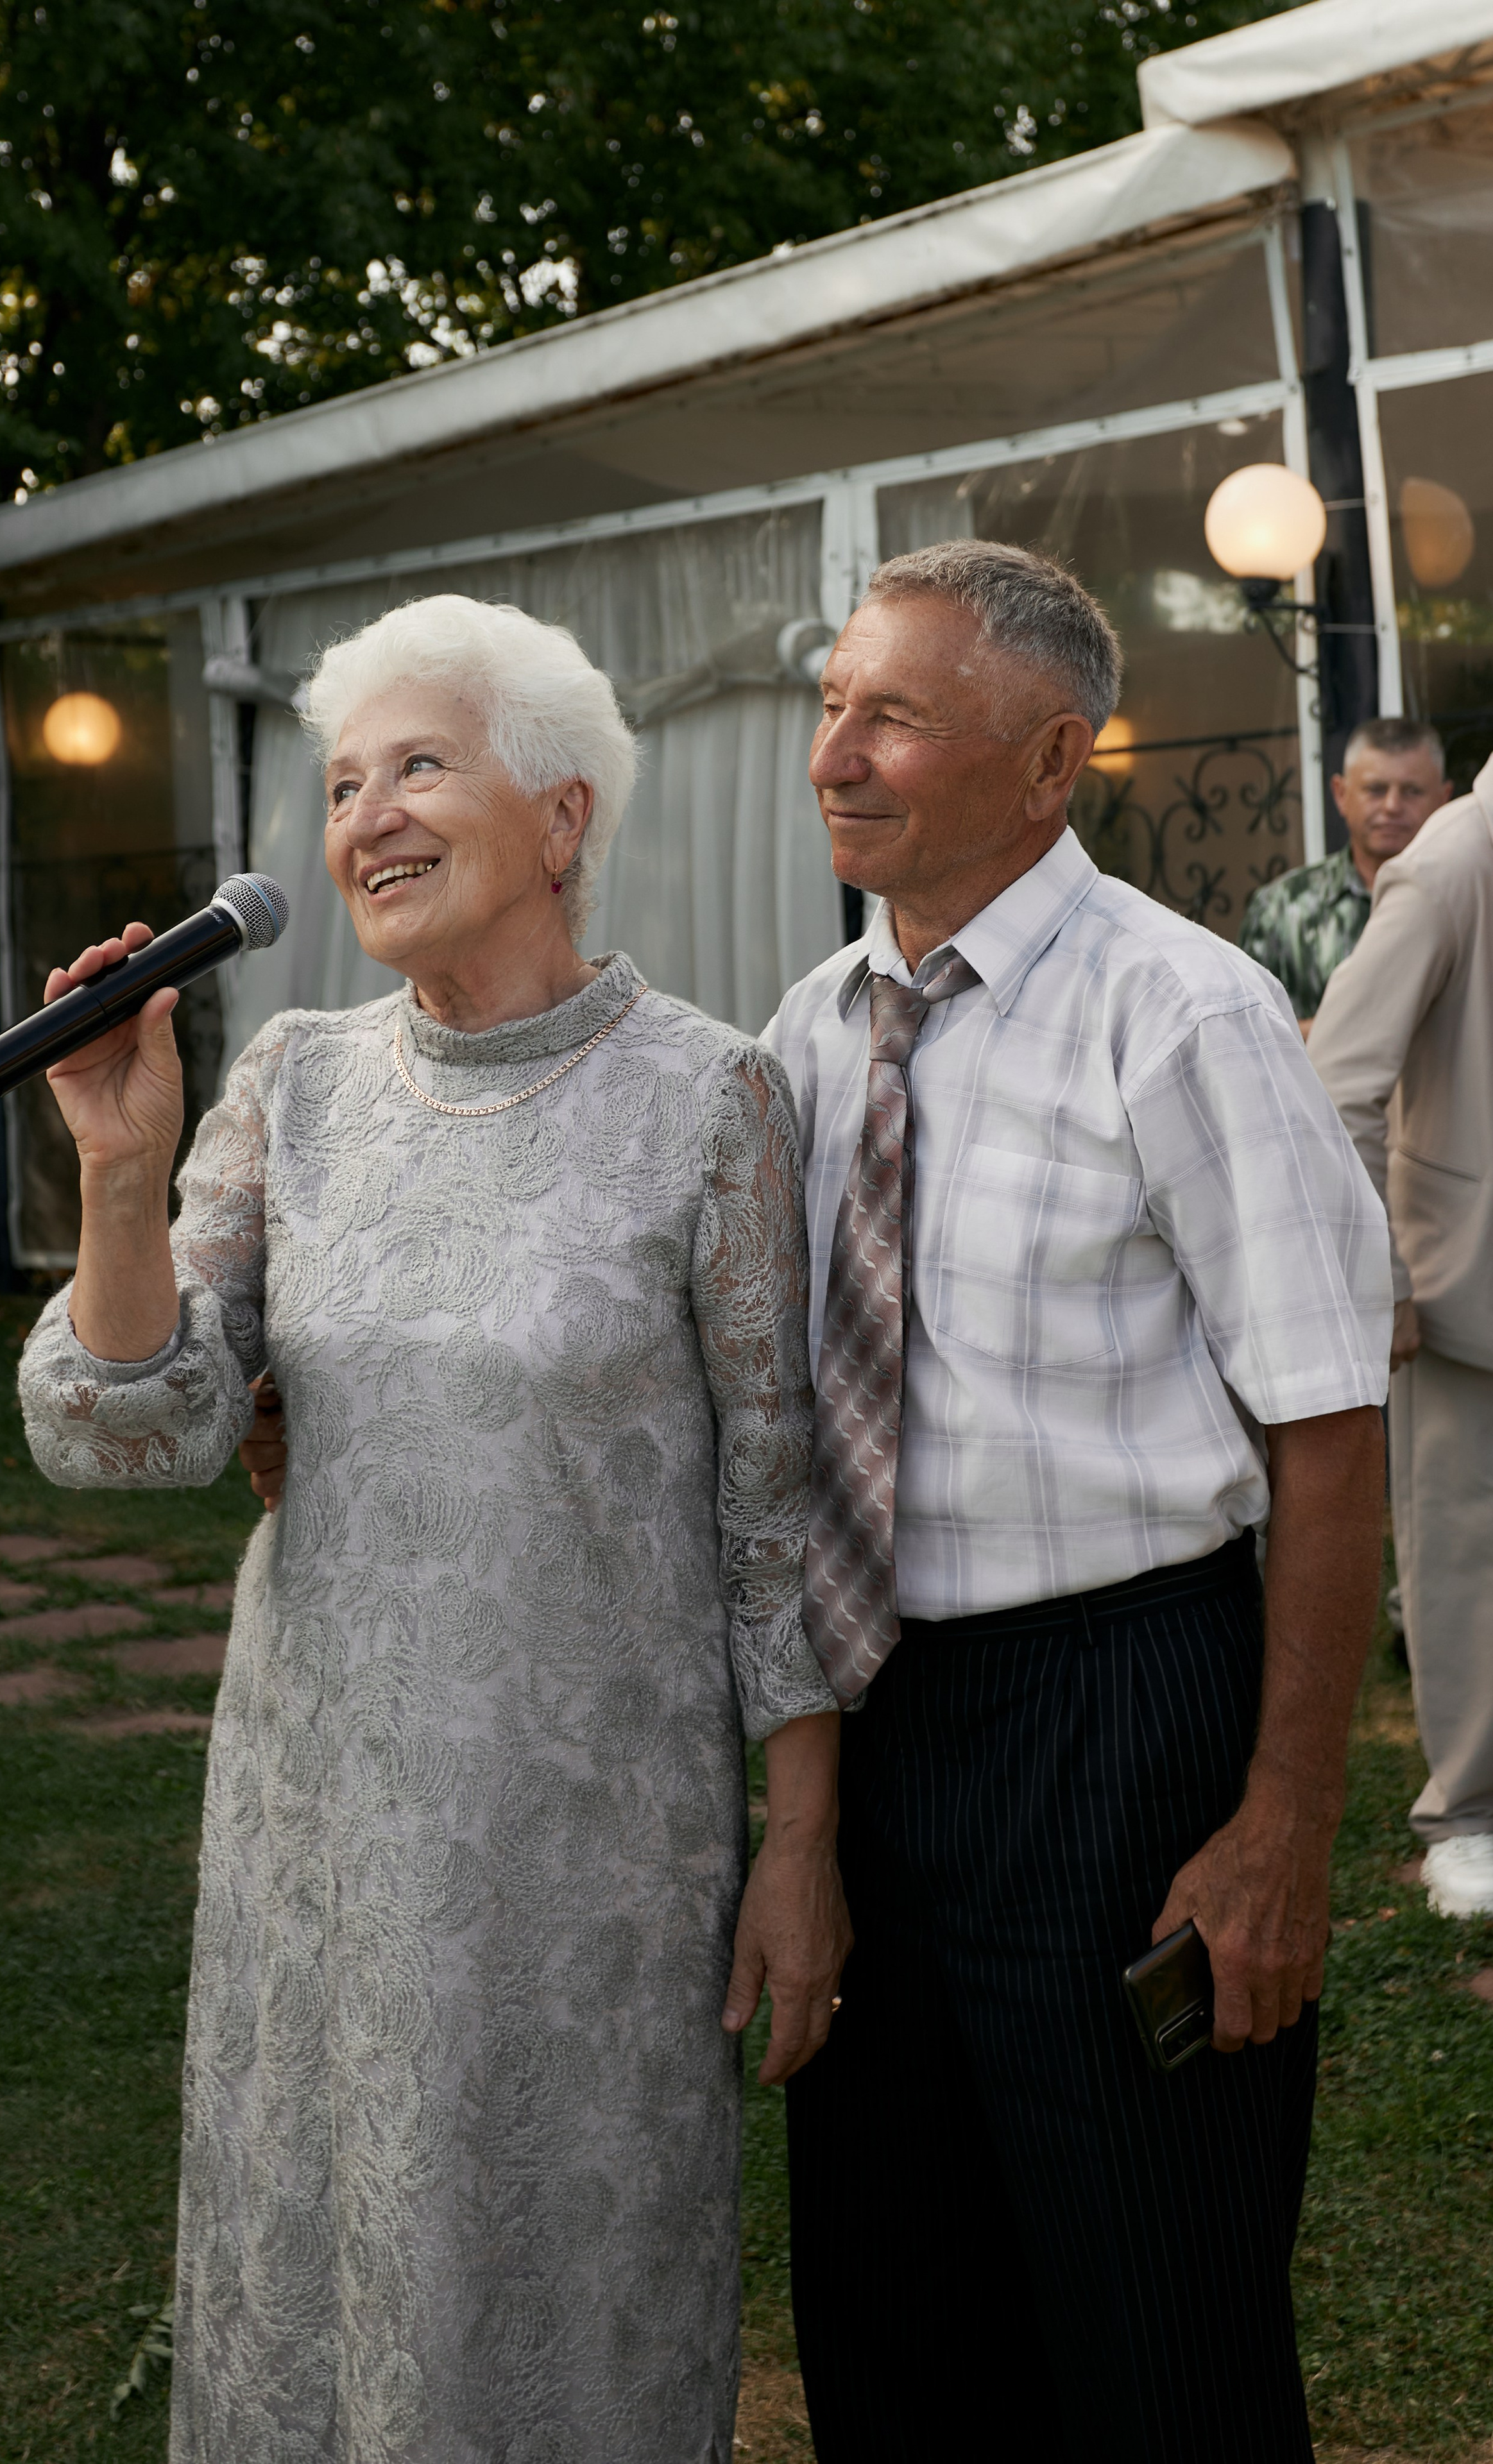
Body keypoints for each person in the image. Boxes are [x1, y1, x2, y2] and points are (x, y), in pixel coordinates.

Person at [15, 593, 850, 2463]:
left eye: (418, 763)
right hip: (314, 1837)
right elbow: (123, 1435)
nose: (367, 813)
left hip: (588, 1874)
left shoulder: (707, 1097)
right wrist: (122, 1168)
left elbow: (772, 1512)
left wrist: (802, 1835)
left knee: (558, 2327)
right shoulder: (289, 1085)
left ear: (562, 815)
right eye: (338, 780)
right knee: (314, 2307)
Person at [761, 542, 1392, 2464]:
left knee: (1156, 2322)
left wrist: (1283, 1819)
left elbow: (1328, 1430)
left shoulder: (1182, 1016)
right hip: (882, 1721)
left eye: (891, 715)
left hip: (1124, 1718)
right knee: (892, 2311)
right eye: (827, 703)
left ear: (1047, 763)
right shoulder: (804, 1031)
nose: (836, 753)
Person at [1310, 747, 1493, 1918]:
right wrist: (1385, 1281)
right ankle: (1467, 1816)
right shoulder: (1449, 864)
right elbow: (1338, 1085)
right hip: (1468, 1295)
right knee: (1463, 1563)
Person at [1239, 716, 1453, 1032]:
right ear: (1341, 794)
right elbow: (1245, 1033)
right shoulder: (1282, 909)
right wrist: (1351, 1032)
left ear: (1443, 799)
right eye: (1376, 790)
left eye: (1412, 791)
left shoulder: (1469, 899)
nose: (1393, 806)